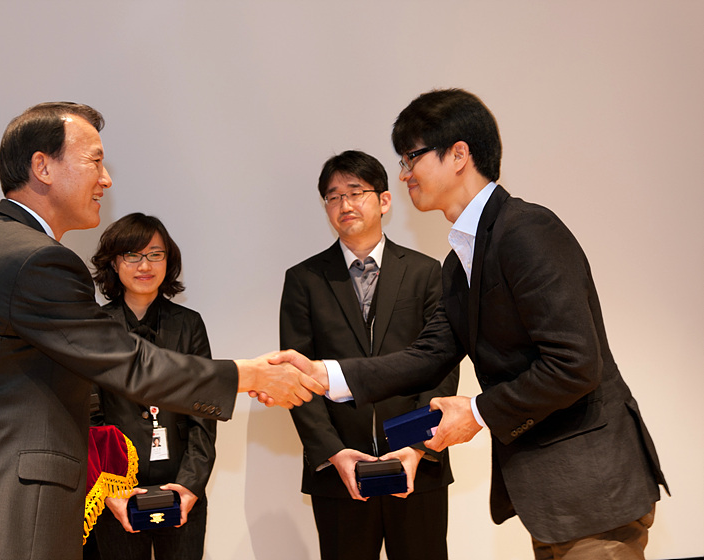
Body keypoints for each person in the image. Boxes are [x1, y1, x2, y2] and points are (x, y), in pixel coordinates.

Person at [0, 102, 322, 560]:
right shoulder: (32, 260)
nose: (106, 179)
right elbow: (130, 363)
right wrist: (250, 375)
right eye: (95, 160)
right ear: (43, 167)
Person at [279, 89, 669, 560]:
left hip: (592, 491)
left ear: (459, 154)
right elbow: (429, 355)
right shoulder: (458, 261)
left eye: (412, 158)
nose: (404, 174)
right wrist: (328, 376)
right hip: (551, 500)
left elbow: (574, 364)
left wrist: (478, 412)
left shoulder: (526, 230)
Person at [281, 151, 458, 560]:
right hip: (338, 472)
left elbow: (441, 366)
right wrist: (333, 453)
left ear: (383, 200)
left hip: (418, 465)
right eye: (333, 196)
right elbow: (298, 378)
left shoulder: (427, 272)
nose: (344, 204)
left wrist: (416, 447)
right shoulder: (304, 280)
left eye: (355, 192)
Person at [89, 212, 217, 560]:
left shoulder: (189, 325)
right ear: (115, 263)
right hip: (116, 491)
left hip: (181, 486)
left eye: (155, 254)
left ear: (168, 260)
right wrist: (111, 491)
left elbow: (204, 413)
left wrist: (190, 486)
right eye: (132, 255)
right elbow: (90, 416)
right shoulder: (95, 326)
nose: (144, 264)